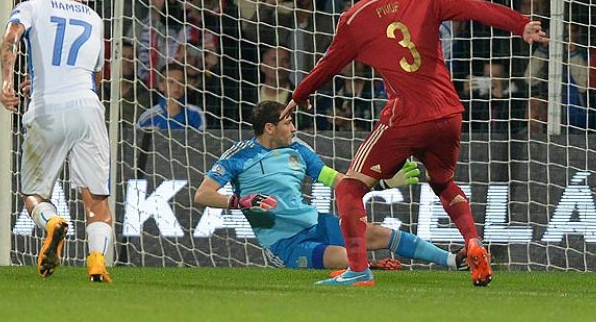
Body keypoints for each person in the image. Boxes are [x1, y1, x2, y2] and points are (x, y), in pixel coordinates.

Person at [281, 0, 548, 287]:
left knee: (348, 188)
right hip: (449, 113)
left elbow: (328, 65)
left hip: (407, 116)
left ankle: (359, 270)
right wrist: (521, 24)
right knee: (442, 182)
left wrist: (299, 95)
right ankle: (473, 242)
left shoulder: (354, 19)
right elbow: (474, 8)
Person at [194, 101, 466, 275]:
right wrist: (240, 202)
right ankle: (369, 268)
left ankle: (454, 260)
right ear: (269, 128)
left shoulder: (299, 150)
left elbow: (341, 183)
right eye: (287, 122)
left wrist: (383, 182)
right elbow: (203, 194)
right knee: (350, 258)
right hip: (284, 244)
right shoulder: (239, 155)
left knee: (380, 234)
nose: (293, 127)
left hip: (316, 224)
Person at [0, 0, 112, 282]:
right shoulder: (93, 17)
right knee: (97, 200)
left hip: (47, 109)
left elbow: (10, 39)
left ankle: (53, 223)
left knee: (33, 193)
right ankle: (96, 263)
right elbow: (97, 76)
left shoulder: (29, 7)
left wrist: (7, 83)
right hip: (87, 108)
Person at [136, 63, 206, 131]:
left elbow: (201, 140)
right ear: (161, 86)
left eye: (181, 82)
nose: (177, 86)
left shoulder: (196, 113)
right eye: (171, 82)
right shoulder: (148, 116)